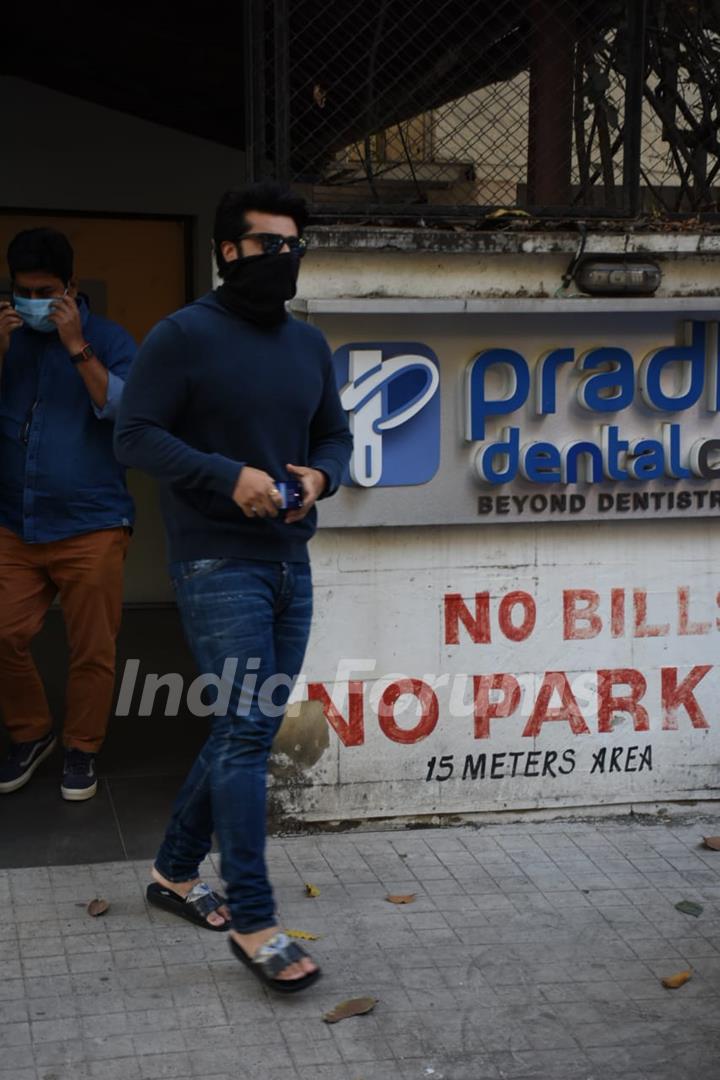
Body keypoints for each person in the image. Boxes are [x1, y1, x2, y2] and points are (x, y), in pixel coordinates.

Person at [114, 182, 352, 993]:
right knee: (251, 729)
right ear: (229, 252)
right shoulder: (182, 337)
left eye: (294, 246)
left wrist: (323, 474)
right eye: (267, 246)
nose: (282, 259)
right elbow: (135, 433)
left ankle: (176, 872)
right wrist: (227, 477)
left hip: (291, 559)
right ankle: (255, 919)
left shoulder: (309, 346)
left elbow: (335, 433)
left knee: (242, 726)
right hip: (217, 560)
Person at [0, 228, 135, 801]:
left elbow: (128, 411)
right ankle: (32, 733)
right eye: (22, 290)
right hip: (14, 522)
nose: (32, 300)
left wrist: (77, 346)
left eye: (44, 290)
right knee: (3, 633)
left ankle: (82, 747)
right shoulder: (8, 340)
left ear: (71, 288)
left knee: (92, 649)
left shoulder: (110, 338)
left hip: (92, 524)